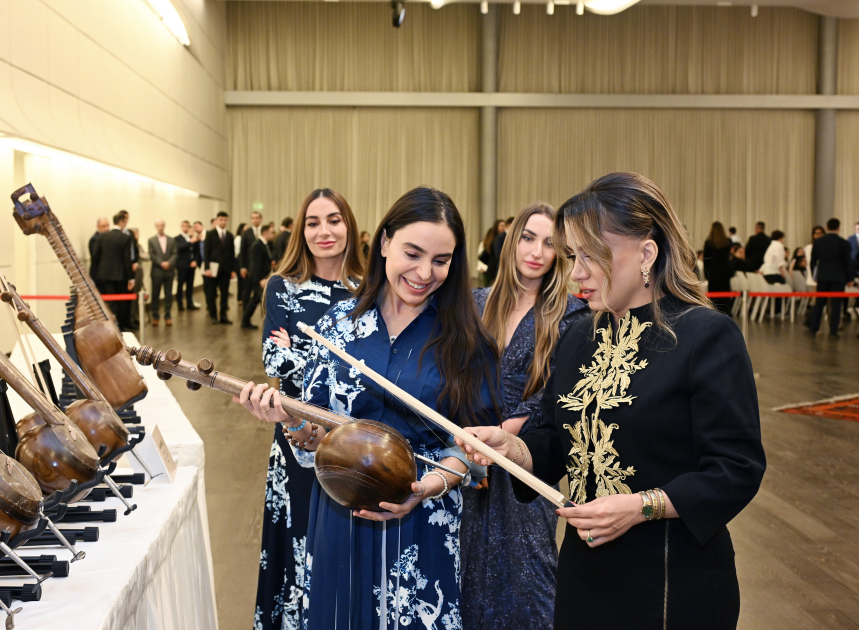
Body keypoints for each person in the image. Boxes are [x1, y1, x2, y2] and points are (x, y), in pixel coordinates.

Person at [456, 172, 766, 630]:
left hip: (670, 577)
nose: (577, 271)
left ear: (646, 253)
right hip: (585, 571)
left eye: (592, 256)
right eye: (572, 256)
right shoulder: (580, 333)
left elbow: (736, 469)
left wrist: (642, 506)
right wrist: (512, 449)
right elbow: (557, 441)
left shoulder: (705, 335)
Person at [237, 186, 500, 630]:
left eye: (441, 260)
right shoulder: (337, 325)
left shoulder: (466, 341)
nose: (423, 272)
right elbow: (314, 438)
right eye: (411, 253)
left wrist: (432, 483)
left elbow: (475, 451)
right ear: (383, 244)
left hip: (424, 523)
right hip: (340, 515)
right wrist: (291, 420)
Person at [461, 202, 589, 630]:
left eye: (550, 243)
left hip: (526, 462)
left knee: (531, 573)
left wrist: (511, 433)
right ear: (512, 242)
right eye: (528, 238)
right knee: (469, 571)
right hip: (469, 458)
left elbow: (559, 390)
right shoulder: (477, 303)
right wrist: (467, 444)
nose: (536, 251)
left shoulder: (571, 313)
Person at [245, 188, 364, 630]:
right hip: (295, 433)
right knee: (297, 545)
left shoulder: (368, 288)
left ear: (348, 225)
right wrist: (342, 363)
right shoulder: (283, 286)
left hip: (354, 436)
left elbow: (373, 371)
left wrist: (304, 351)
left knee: (350, 545)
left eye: (333, 220)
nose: (324, 231)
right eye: (313, 223)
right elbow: (274, 362)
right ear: (301, 231)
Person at [808, 218, 855, 338]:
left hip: (823, 276)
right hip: (838, 277)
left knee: (819, 303)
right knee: (836, 304)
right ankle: (833, 331)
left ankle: (814, 328)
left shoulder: (818, 242)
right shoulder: (844, 243)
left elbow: (813, 261)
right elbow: (847, 262)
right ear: (838, 228)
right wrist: (850, 278)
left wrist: (815, 275)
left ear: (827, 227)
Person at [95, 210, 135, 330]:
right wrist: (131, 278)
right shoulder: (125, 237)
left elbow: (96, 254)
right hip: (121, 275)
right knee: (122, 302)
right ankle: (121, 326)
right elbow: (127, 259)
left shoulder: (103, 236)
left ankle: (111, 326)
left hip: (105, 274)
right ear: (121, 222)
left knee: (110, 302)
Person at [203, 211, 236, 325]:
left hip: (226, 269)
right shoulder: (210, 234)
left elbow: (232, 254)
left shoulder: (230, 235)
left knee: (224, 293)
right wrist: (207, 268)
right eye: (221, 219)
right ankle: (213, 315)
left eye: (225, 220)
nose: (223, 222)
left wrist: (232, 269)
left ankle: (223, 316)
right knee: (212, 293)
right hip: (213, 268)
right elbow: (206, 252)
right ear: (217, 220)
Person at [240, 223, 275, 329]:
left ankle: (246, 321)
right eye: (271, 232)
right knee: (256, 299)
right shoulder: (257, 245)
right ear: (265, 233)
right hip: (258, 278)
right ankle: (247, 321)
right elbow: (255, 265)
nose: (273, 235)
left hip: (262, 277)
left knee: (256, 299)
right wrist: (260, 279)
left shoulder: (264, 244)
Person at [148, 220, 177, 326]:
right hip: (157, 271)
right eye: (158, 225)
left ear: (164, 226)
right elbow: (152, 254)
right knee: (155, 294)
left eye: (162, 225)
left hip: (169, 271)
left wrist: (169, 263)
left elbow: (175, 253)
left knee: (168, 294)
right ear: (156, 226)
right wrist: (161, 263)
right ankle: (155, 316)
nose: (160, 227)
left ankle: (168, 316)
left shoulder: (171, 240)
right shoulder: (151, 240)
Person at [703, 221, 735, 315]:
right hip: (725, 272)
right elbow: (729, 257)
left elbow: (706, 260)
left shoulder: (708, 243)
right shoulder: (728, 242)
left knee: (714, 299)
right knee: (725, 297)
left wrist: (706, 274)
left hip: (713, 273)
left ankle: (714, 316)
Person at [240, 212, 265, 307]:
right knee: (247, 292)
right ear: (251, 219)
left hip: (261, 268)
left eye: (257, 218)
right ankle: (245, 317)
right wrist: (242, 267)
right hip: (249, 268)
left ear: (261, 219)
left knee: (261, 293)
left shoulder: (264, 231)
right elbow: (242, 251)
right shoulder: (246, 233)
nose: (255, 220)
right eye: (253, 218)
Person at [175, 220, 200, 311]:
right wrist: (190, 241)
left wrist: (195, 261)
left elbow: (197, 251)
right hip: (182, 266)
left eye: (187, 226)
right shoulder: (178, 238)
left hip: (191, 265)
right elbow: (179, 248)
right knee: (180, 285)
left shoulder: (193, 238)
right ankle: (180, 304)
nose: (185, 228)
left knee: (190, 285)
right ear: (181, 227)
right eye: (183, 226)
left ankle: (190, 303)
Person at [88, 216, 109, 288]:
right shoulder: (95, 239)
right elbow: (95, 257)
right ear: (98, 226)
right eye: (103, 226)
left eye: (107, 226)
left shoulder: (107, 238)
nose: (106, 228)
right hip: (98, 276)